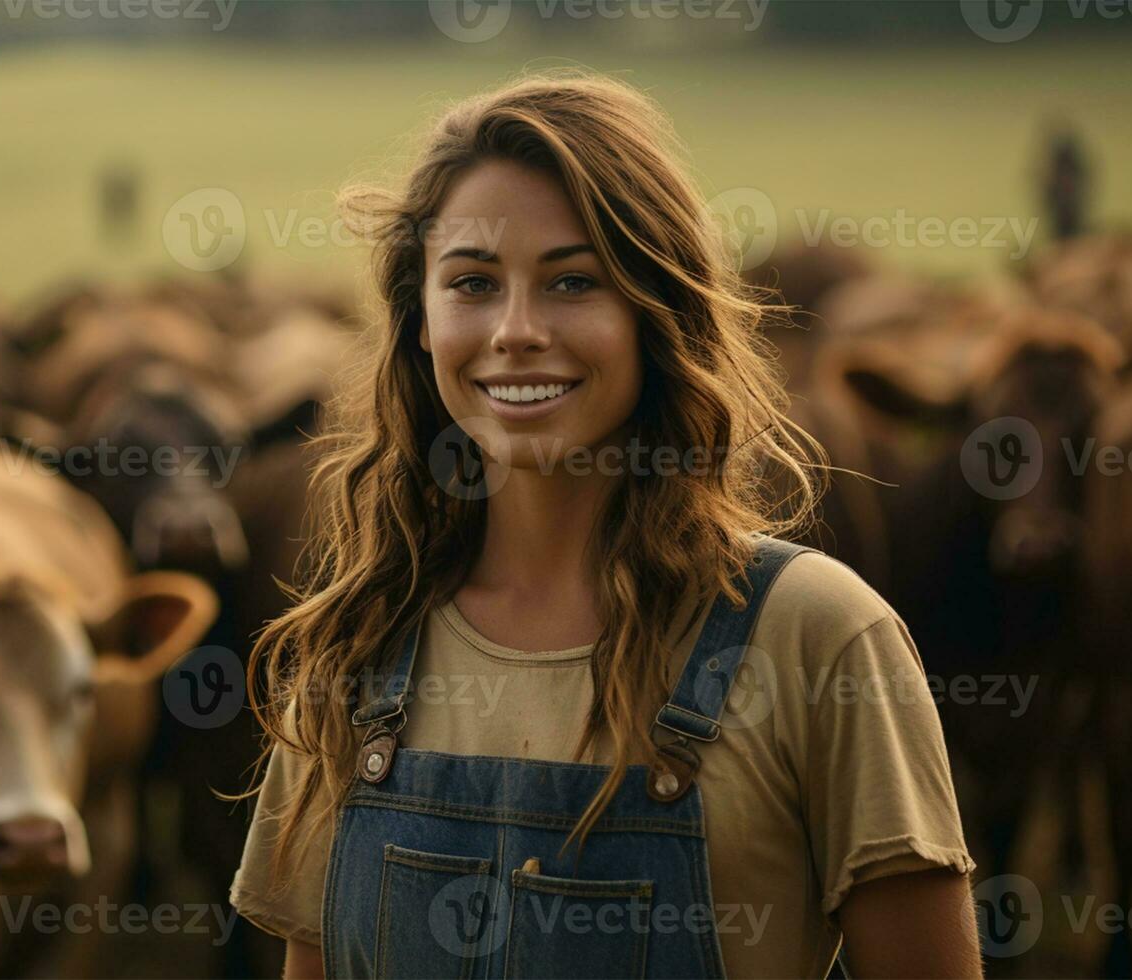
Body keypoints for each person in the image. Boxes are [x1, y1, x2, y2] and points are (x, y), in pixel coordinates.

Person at [227, 71, 981, 979]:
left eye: (573, 281)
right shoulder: (353, 648)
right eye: (471, 283)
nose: (515, 330)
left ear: (654, 313)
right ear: (418, 323)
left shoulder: (815, 635)